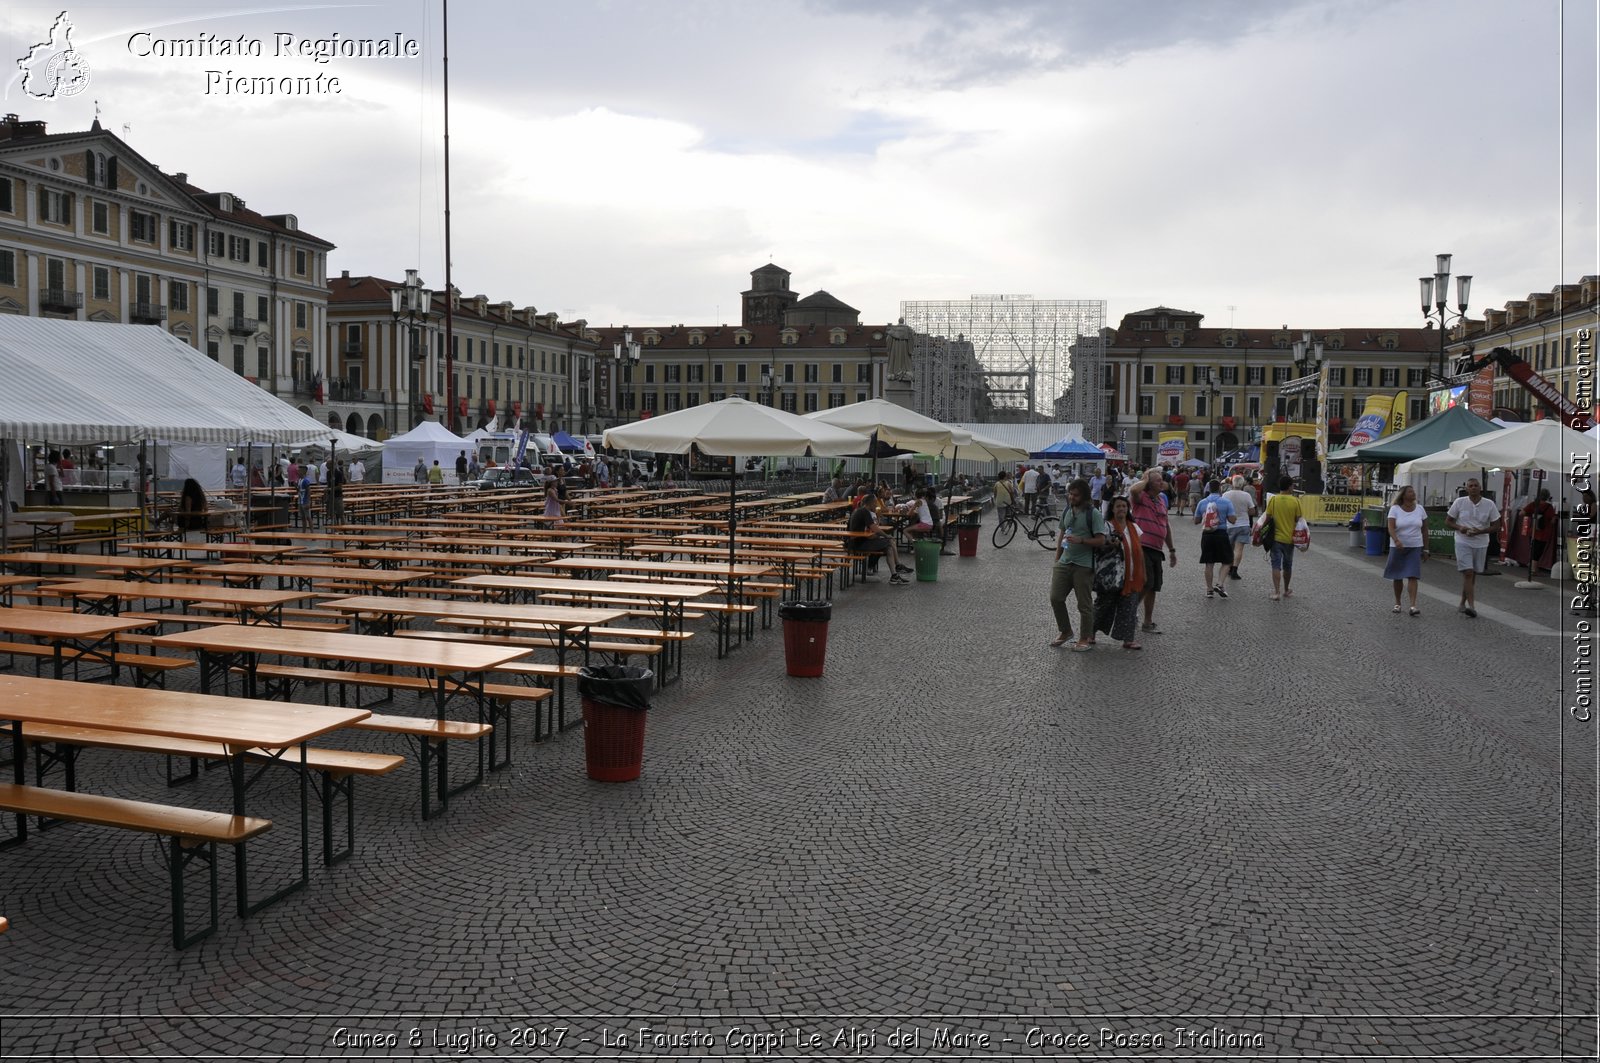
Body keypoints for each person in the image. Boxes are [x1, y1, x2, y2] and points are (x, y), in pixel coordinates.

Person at [1049, 479, 1107, 651]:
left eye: (1075, 495)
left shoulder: (1093, 513)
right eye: (1070, 494)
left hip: (1083, 565)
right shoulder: (1067, 510)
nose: (1071, 497)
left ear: (1084, 496)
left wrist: (1082, 540)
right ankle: (1066, 631)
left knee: (1084, 605)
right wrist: (1057, 558)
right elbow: (1062, 534)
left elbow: (1101, 540)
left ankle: (1084, 638)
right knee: (1056, 598)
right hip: (1065, 562)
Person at [1093, 494, 1147, 650]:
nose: (1122, 509)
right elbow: (1099, 548)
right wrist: (1111, 545)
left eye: (1124, 506)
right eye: (1118, 506)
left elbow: (1139, 551)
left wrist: (1143, 571)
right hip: (1112, 575)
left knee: (1129, 607)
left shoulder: (1134, 527)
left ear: (1128, 508)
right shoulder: (1106, 526)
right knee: (1103, 605)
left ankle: (1128, 639)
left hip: (1131, 574)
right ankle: (1091, 633)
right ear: (1112, 509)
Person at [1128, 467, 1178, 634]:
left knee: (1154, 586)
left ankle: (1147, 622)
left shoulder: (1161, 500)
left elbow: (1166, 525)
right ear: (1149, 483)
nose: (1162, 482)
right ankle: (1128, 610)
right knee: (1146, 582)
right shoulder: (1140, 498)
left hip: (1157, 549)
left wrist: (1171, 549)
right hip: (1142, 546)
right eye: (1158, 480)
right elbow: (1133, 489)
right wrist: (1146, 478)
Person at [1446, 478, 1500, 618]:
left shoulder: (1489, 504)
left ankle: (1463, 602)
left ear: (1480, 488)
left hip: (1481, 542)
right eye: (1471, 486)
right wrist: (1460, 528)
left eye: (1476, 485)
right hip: (1463, 541)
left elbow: (1496, 526)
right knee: (1469, 572)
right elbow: (1448, 521)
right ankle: (1472, 606)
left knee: (1472, 575)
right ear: (1466, 488)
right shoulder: (1460, 502)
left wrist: (1480, 531)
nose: (1474, 488)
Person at [1384, 485, 1428, 616]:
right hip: (1398, 547)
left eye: (1413, 491)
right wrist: (1396, 540)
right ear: (1403, 495)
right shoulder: (1395, 509)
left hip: (1415, 546)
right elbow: (1390, 527)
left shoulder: (1420, 509)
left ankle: (1413, 605)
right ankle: (1397, 603)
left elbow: (1425, 529)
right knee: (1397, 576)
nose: (1413, 493)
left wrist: (1426, 548)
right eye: (1410, 491)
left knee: (1413, 575)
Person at [846, 494, 910, 584]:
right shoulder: (864, 512)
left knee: (889, 547)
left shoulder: (858, 511)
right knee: (889, 541)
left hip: (856, 542)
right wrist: (886, 535)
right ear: (871, 503)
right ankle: (897, 567)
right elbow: (874, 528)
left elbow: (873, 527)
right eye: (875, 503)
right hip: (859, 543)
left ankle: (894, 575)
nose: (876, 505)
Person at [1193, 480, 1236, 598]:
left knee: (1209, 563)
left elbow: (1196, 521)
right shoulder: (1226, 502)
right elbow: (1232, 520)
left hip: (1207, 535)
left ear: (1208, 489)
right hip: (1221, 533)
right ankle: (1220, 584)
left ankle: (1209, 589)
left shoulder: (1202, 502)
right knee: (1227, 560)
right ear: (1220, 489)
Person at [1263, 474, 1303, 601]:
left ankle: (1276, 592)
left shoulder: (1273, 500)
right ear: (1290, 486)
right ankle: (1286, 589)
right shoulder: (1296, 501)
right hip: (1290, 539)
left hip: (1275, 538)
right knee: (1288, 565)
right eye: (1292, 485)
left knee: (1276, 565)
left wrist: (1260, 530)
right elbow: (1298, 519)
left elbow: (1267, 517)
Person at [1222, 475, 1257, 580]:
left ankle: (1228, 568)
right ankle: (1234, 570)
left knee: (1230, 548)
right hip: (1243, 524)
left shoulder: (1225, 495)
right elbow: (1252, 511)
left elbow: (1222, 509)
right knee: (1239, 549)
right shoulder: (1246, 495)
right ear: (1242, 484)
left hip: (1229, 525)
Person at [1520, 488, 1557, 574]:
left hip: (1533, 531)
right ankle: (1533, 569)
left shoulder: (1533, 504)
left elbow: (1521, 513)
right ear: (1547, 496)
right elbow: (1552, 521)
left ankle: (1533, 567)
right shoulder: (1549, 507)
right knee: (1538, 551)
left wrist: (1530, 514)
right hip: (1544, 533)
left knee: (1533, 549)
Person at [177, 477, 208, 543]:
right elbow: (206, 509)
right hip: (199, 522)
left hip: (190, 523)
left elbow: (188, 513)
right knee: (170, 512)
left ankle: (159, 522)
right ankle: (159, 522)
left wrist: (181, 511)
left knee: (169, 512)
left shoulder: (188, 497)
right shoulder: (201, 496)